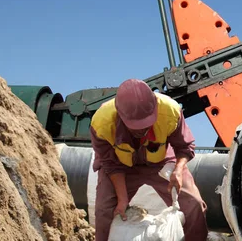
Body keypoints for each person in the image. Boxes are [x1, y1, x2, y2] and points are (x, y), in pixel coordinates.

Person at [89, 78, 208, 241]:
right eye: (135, 126)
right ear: (121, 116)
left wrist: (178, 171)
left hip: (161, 163)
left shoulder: (170, 110)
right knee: (105, 210)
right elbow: (110, 163)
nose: (142, 129)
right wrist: (122, 199)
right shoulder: (101, 123)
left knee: (193, 204)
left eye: (146, 123)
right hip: (121, 168)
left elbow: (184, 147)